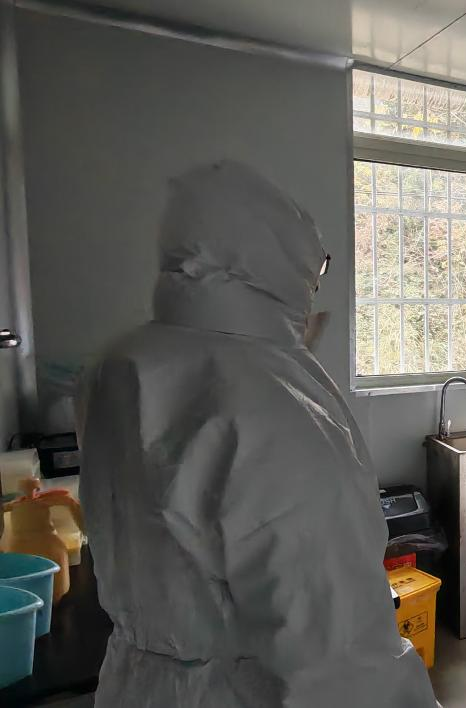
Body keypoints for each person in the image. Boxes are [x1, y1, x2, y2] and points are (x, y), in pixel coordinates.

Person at [77, 161, 439, 708]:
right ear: (276, 263)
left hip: (135, 682)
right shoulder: (277, 404)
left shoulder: (117, 365)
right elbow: (341, 657)